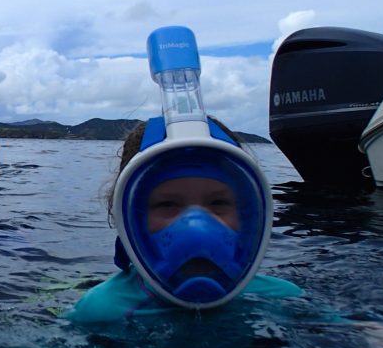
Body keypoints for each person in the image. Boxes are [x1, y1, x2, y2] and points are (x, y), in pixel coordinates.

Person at [69, 116, 302, 323]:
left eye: (218, 203)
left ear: (249, 216)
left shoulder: (285, 301)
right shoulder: (100, 313)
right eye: (167, 204)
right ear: (130, 220)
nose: (197, 228)